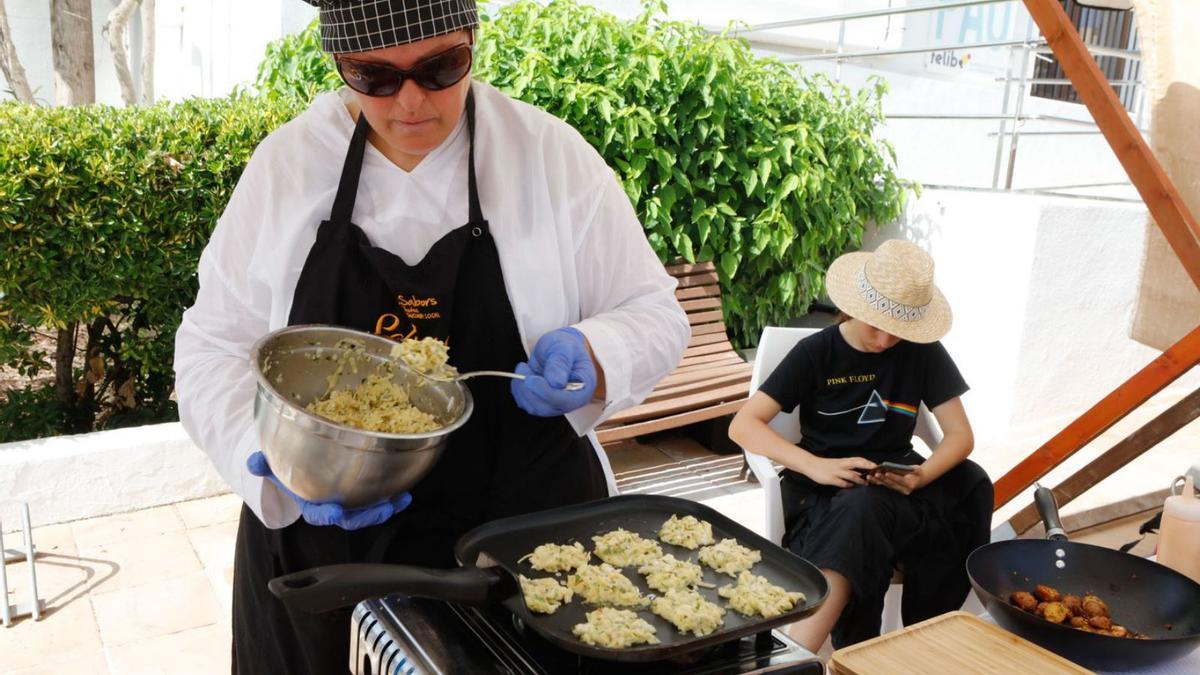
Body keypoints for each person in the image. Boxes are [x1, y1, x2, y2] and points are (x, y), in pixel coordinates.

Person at [172, 1, 689, 671]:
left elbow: (653, 310)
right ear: (339, 64)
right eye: (375, 78)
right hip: (335, 563)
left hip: (524, 544)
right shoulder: (289, 166)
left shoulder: (547, 156)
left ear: (473, 39)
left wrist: (597, 351)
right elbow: (211, 345)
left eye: (442, 68)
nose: (411, 102)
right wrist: (266, 458)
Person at [728, 239, 993, 652]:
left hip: (897, 481)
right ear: (856, 308)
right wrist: (814, 465)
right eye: (876, 326)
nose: (886, 341)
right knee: (861, 509)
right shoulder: (816, 352)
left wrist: (922, 476)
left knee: (972, 483)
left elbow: (961, 436)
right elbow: (744, 425)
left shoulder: (922, 352)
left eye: (898, 331)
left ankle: (930, 636)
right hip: (824, 487)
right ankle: (798, 655)